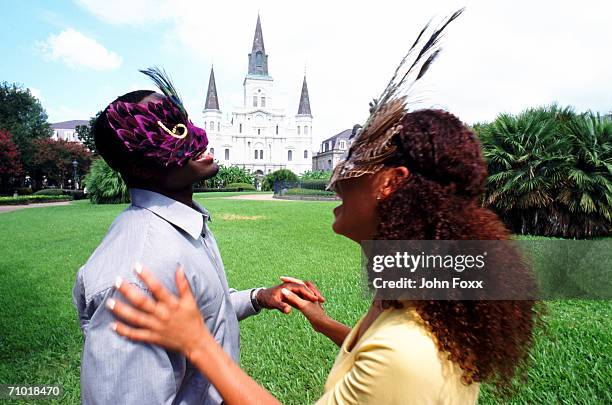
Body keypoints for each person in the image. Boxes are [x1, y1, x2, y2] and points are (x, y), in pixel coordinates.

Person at [109, 12, 541, 404]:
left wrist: (198, 343)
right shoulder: (414, 295)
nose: (334, 176)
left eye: (353, 163)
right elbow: (369, 349)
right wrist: (320, 321)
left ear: (392, 183)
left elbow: (393, 360)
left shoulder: (407, 351)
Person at [72, 68, 323, 405]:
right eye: (172, 131)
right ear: (140, 167)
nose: (199, 135)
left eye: (185, 121)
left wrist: (259, 297)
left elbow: (201, 311)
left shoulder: (184, 226)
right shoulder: (137, 277)